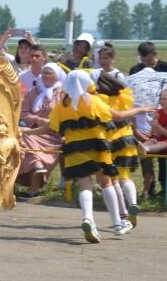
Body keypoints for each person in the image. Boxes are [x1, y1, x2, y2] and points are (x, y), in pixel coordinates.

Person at [26, 70, 152, 242]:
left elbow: (49, 127)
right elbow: (118, 116)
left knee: (85, 185)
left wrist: (28, 132)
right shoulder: (94, 100)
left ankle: (88, 219)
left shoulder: (62, 105)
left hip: (74, 149)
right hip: (98, 146)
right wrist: (141, 109)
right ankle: (117, 223)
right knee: (106, 183)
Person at [97, 72, 142, 226]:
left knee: (112, 179)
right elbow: (129, 116)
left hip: (110, 140)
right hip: (127, 137)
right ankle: (133, 203)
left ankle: (122, 214)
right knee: (125, 176)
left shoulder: (99, 98)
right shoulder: (123, 95)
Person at [16, 63, 64, 197]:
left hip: (53, 134)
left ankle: (36, 177)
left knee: (26, 136)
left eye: (50, 73)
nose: (46, 76)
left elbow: (66, 116)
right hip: (34, 131)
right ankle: (37, 169)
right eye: (44, 73)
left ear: (57, 75)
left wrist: (51, 123)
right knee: (23, 135)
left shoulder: (63, 94)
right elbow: (23, 112)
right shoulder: (34, 91)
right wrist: (38, 120)